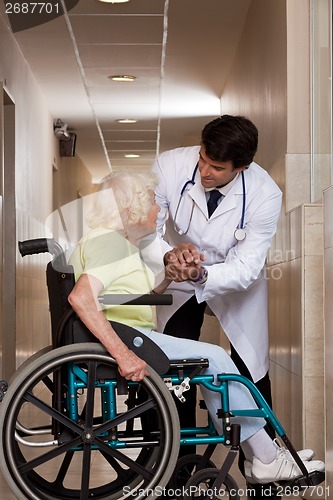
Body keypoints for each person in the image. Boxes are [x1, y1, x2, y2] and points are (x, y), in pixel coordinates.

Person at [67, 170, 324, 487]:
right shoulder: (109, 244)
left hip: (132, 335)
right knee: (216, 359)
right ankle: (266, 458)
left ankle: (262, 455)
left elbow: (124, 295)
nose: (159, 210)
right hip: (130, 340)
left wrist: (168, 277)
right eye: (150, 202)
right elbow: (82, 298)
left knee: (212, 363)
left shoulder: (108, 241)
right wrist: (123, 355)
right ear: (129, 208)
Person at [151, 115, 283, 493]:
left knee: (248, 371)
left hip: (235, 284)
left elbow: (245, 267)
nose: (205, 171)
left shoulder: (265, 193)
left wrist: (202, 274)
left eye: (217, 168)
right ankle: (173, 473)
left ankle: (262, 471)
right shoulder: (170, 165)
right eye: (204, 160)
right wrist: (169, 258)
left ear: (241, 168)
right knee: (175, 368)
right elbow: (147, 230)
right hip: (177, 275)